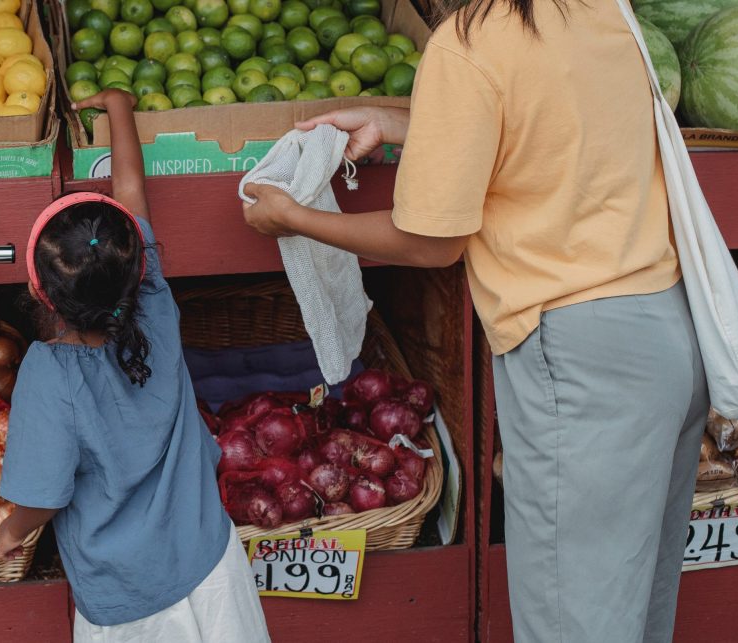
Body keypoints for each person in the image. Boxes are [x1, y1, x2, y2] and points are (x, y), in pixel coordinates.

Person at [241, 0, 708, 641]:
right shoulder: (599, 9)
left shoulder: (468, 44)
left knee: (575, 625)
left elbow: (433, 241)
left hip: (581, 358)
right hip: (667, 336)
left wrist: (293, 218)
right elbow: (535, 123)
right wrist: (392, 117)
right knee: (635, 611)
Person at [0, 88, 270, 643]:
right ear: (138, 265)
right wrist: (120, 108)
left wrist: (10, 530)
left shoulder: (49, 373)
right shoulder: (155, 304)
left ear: (38, 292)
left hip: (130, 599)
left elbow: (43, 497)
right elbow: (130, 194)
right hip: (210, 563)